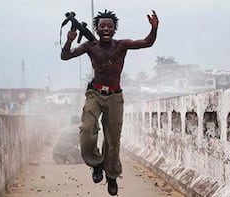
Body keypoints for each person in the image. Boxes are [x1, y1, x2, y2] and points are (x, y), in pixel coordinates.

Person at [60, 9, 158, 196]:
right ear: (97, 28)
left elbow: (147, 42)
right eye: (102, 26)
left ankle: (111, 175)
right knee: (87, 128)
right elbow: (65, 56)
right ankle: (96, 164)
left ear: (114, 29)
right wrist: (70, 40)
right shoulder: (90, 46)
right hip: (95, 93)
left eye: (110, 26)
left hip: (115, 96)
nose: (106, 28)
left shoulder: (122, 45)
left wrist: (154, 28)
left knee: (113, 139)